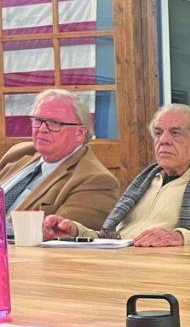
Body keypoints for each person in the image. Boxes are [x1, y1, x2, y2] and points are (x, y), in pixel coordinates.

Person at [43, 104, 190, 248]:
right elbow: (116, 239)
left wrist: (182, 239)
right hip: (125, 268)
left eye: (175, 133)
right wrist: (76, 232)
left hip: (174, 277)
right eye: (158, 133)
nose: (164, 140)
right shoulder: (144, 182)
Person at [0, 89, 118, 232]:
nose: (42, 129)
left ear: (80, 133)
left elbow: (56, 233)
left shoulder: (97, 181)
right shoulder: (19, 153)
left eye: (54, 123)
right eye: (38, 120)